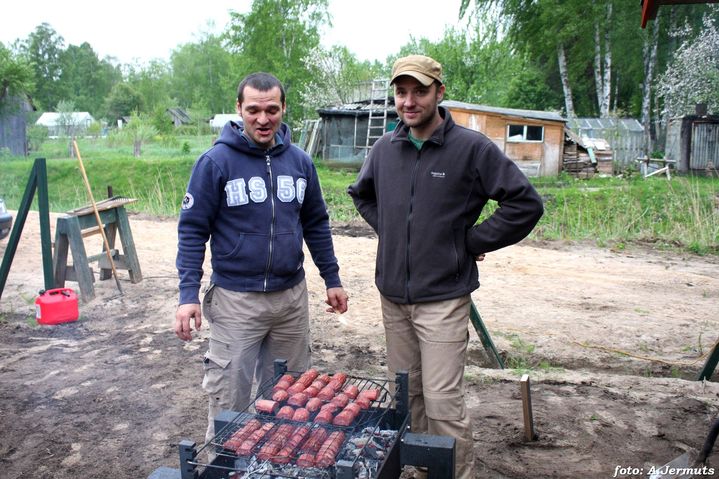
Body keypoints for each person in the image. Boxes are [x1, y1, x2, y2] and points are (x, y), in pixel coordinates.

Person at [347, 55, 544, 479]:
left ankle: (454, 474)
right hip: (393, 299)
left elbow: (525, 204)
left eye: (419, 91)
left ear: (439, 92)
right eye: (401, 92)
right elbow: (361, 194)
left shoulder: (471, 149)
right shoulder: (384, 149)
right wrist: (393, 231)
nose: (409, 101)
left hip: (443, 299)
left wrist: (469, 241)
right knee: (407, 395)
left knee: (442, 401)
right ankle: (423, 468)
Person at [175, 72, 348, 445]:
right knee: (229, 401)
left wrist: (331, 278)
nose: (263, 119)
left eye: (272, 110)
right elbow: (192, 230)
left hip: (290, 301)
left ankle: (278, 464)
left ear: (283, 108)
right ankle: (223, 465)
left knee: (290, 397)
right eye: (253, 110)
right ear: (239, 109)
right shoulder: (215, 162)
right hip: (236, 301)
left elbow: (316, 223)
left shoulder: (300, 162)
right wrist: (188, 295)